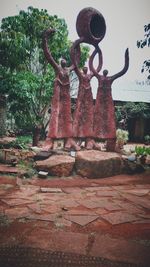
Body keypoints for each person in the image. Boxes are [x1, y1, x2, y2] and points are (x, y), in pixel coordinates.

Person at [42, 28, 80, 150]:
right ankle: (50, 139)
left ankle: (68, 139)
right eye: (62, 60)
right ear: (60, 62)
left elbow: (76, 62)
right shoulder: (57, 68)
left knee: (67, 115)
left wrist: (77, 46)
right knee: (56, 113)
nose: (64, 61)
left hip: (66, 96)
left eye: (65, 60)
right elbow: (48, 55)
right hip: (58, 95)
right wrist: (45, 38)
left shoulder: (68, 70)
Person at [90, 47, 129, 151]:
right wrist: (98, 53)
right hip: (100, 101)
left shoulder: (109, 79)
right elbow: (92, 68)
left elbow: (123, 71)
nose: (105, 73)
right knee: (97, 118)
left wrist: (126, 58)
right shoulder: (99, 77)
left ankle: (110, 141)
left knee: (109, 119)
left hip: (107, 102)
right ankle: (93, 139)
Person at [71, 40, 103, 149]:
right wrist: (76, 47)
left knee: (89, 116)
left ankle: (89, 140)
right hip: (81, 97)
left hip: (88, 97)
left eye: (86, 68)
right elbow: (75, 64)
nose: (84, 69)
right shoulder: (80, 75)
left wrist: (97, 52)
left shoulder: (89, 76)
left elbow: (97, 67)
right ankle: (76, 139)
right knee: (79, 115)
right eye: (83, 68)